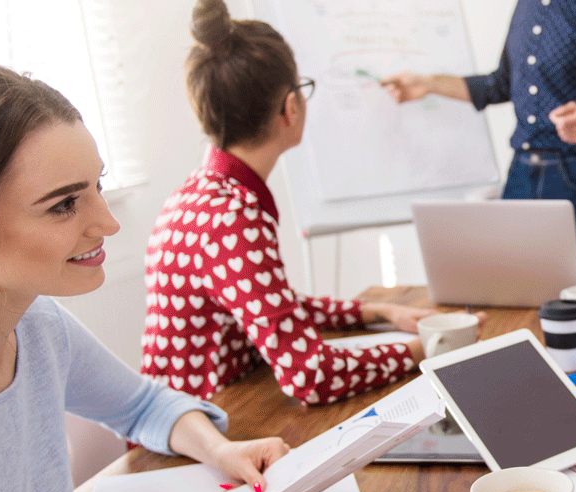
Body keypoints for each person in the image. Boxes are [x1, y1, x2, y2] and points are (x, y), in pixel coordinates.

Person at [0, 60, 289, 492]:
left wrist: (221, 450)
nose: (108, 224)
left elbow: (143, 406)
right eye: (63, 205)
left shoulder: (35, 322)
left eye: (97, 185)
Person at [143, 0, 443, 406]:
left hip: (203, 415)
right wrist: (429, 348)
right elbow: (312, 375)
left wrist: (378, 312)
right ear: (290, 107)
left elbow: (269, 307)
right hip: (209, 430)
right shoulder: (233, 218)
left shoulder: (197, 195)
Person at [382, 0, 576, 280]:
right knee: (512, 288)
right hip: (520, 174)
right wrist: (429, 84)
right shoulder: (528, 5)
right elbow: (501, 84)